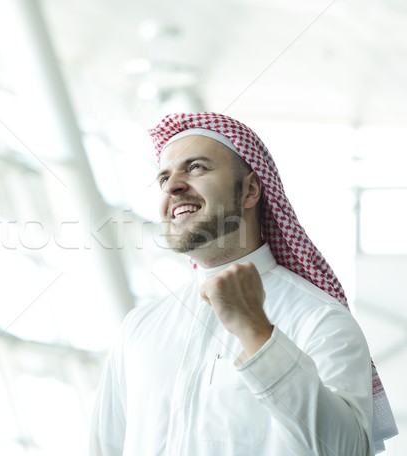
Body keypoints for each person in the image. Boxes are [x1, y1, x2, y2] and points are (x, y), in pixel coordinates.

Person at [90, 112, 398, 455]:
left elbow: (348, 450)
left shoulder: (320, 319)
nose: (173, 185)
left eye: (196, 168)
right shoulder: (140, 327)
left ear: (250, 190)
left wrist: (257, 332)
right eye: (164, 177)